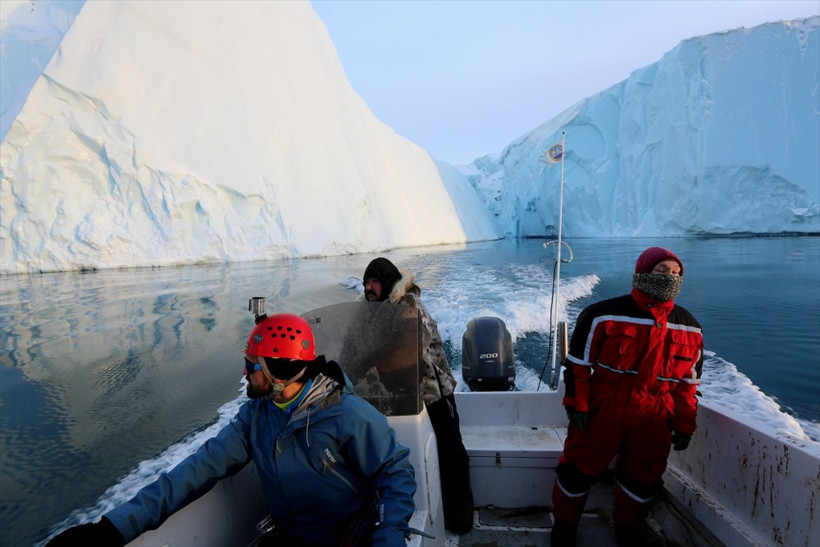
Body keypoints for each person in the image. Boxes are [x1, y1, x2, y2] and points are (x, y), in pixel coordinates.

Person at [47, 313, 416, 547]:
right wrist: (112, 529)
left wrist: (388, 536)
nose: (244, 373)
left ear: (278, 371)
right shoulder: (256, 417)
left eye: (251, 365)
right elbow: (195, 470)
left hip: (351, 536)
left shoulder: (348, 415)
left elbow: (394, 472)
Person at [551, 247, 704, 547]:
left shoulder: (691, 328)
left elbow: (687, 386)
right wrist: (577, 406)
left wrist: (685, 425)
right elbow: (578, 367)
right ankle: (565, 526)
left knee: (643, 478)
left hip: (655, 416)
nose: (670, 277)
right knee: (577, 471)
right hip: (604, 408)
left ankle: (628, 529)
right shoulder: (602, 315)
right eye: (662, 271)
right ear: (643, 272)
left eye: (675, 273)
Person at [360, 257, 474, 534]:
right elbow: (357, 346)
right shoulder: (370, 311)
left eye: (374, 281)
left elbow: (406, 349)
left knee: (451, 451)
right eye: (366, 282)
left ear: (387, 283)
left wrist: (371, 359)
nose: (369, 287)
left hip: (433, 391)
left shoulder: (411, 308)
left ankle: (461, 508)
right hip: (397, 394)